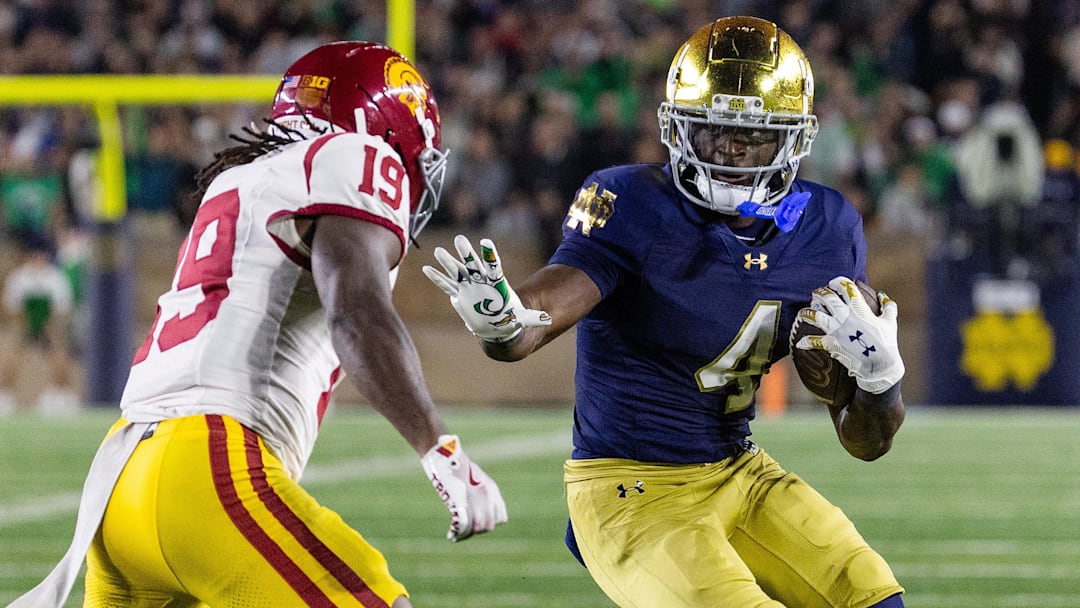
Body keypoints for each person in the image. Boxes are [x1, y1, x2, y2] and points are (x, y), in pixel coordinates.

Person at [425, 16, 906, 608]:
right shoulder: (634, 203)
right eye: (711, 129)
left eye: (750, 135)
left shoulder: (828, 227)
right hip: (628, 489)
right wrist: (504, 318)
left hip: (740, 470)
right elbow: (539, 315)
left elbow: (865, 443)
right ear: (677, 128)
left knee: (874, 598)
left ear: (792, 139)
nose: (729, 148)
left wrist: (882, 382)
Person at [12, 41, 507, 608]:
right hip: (205, 471)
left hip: (119, 487)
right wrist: (437, 448)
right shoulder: (351, 157)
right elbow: (356, 309)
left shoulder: (243, 179)